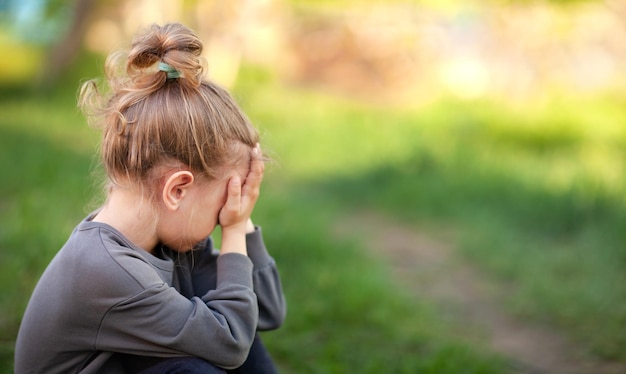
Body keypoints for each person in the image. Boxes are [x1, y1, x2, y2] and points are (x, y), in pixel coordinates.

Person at [14, 22, 286, 374]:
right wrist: (233, 232)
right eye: (224, 204)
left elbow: (263, 312)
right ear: (177, 190)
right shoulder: (106, 269)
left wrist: (241, 221)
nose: (227, 216)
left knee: (229, 317)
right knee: (198, 365)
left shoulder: (169, 236)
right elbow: (230, 342)